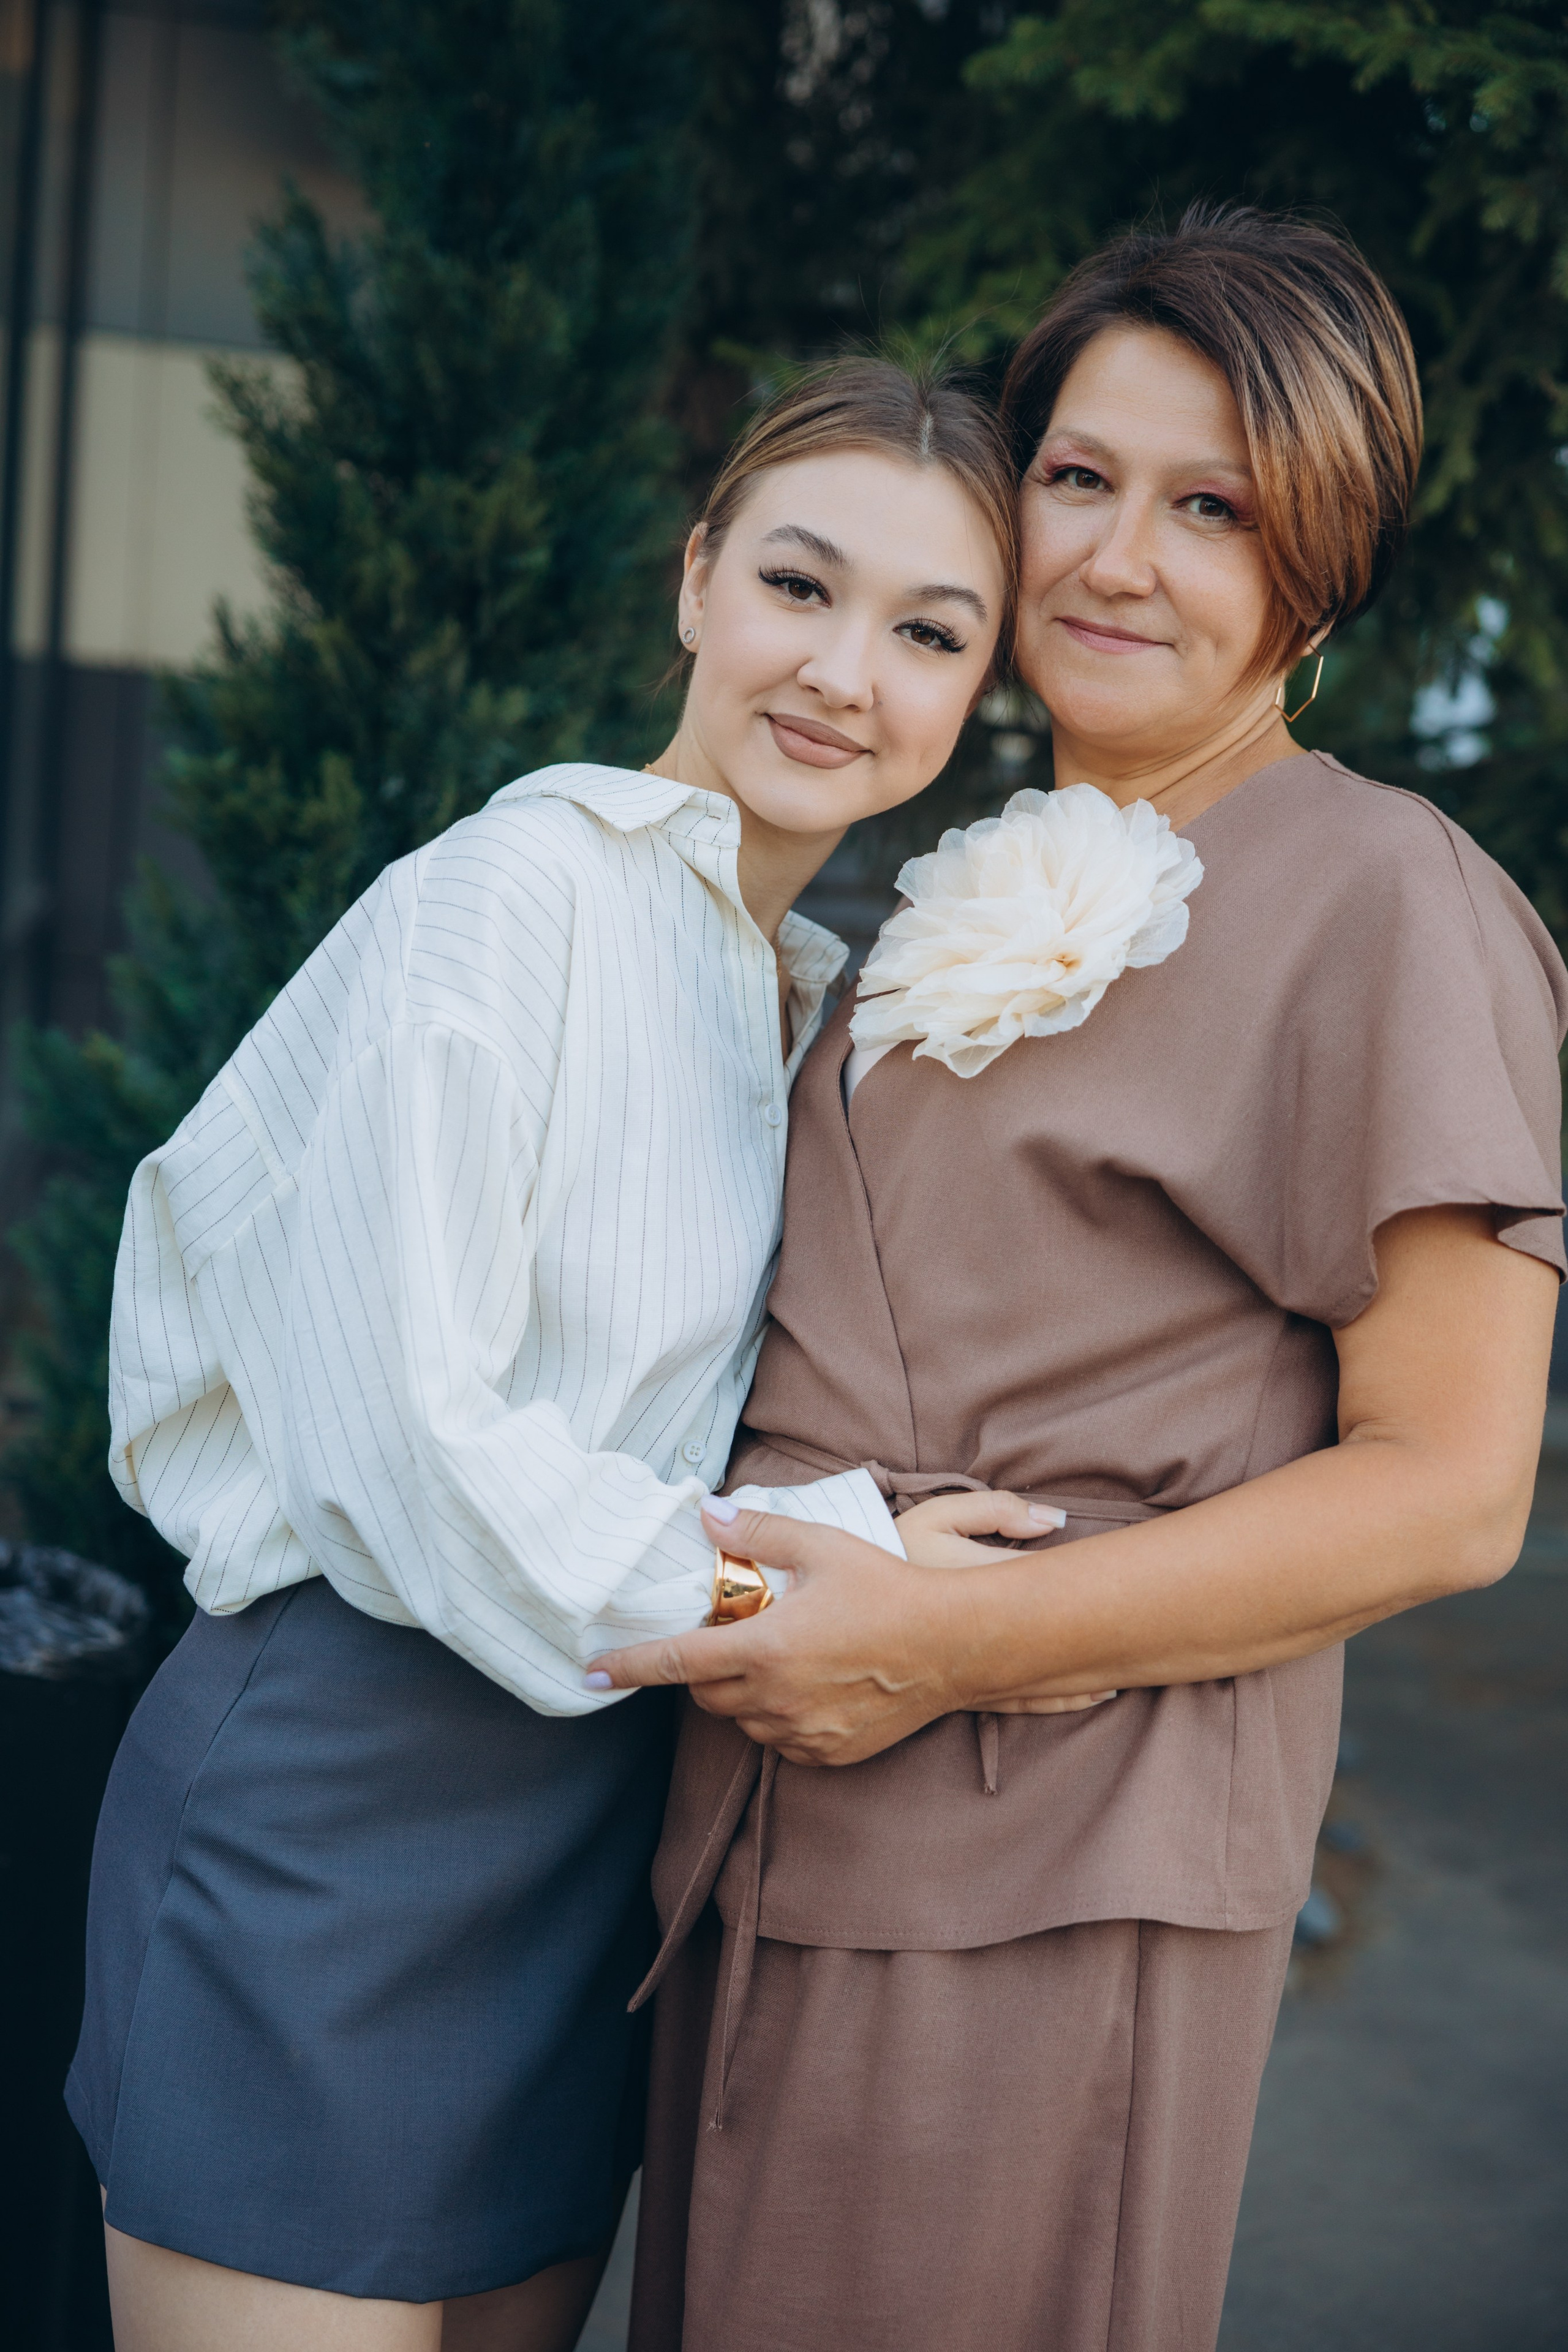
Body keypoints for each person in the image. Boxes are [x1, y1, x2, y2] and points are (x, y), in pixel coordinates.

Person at [605, 208, 1567, 2352]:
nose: (1121, 559)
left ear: (1327, 558)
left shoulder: (1383, 899)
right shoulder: (949, 878)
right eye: (1079, 478)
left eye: (1214, 507)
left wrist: (940, 1645)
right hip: (769, 1832)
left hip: (1050, 1869)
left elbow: (1453, 1489)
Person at [67, 359, 1026, 2352]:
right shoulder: (509, 904)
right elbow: (410, 1450)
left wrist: (869, 1540)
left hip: (588, 1852)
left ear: (975, 691)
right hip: (335, 1810)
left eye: (929, 633)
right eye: (799, 586)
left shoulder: (795, 997)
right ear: (695, 581)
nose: (845, 672)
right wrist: (821, 1586)